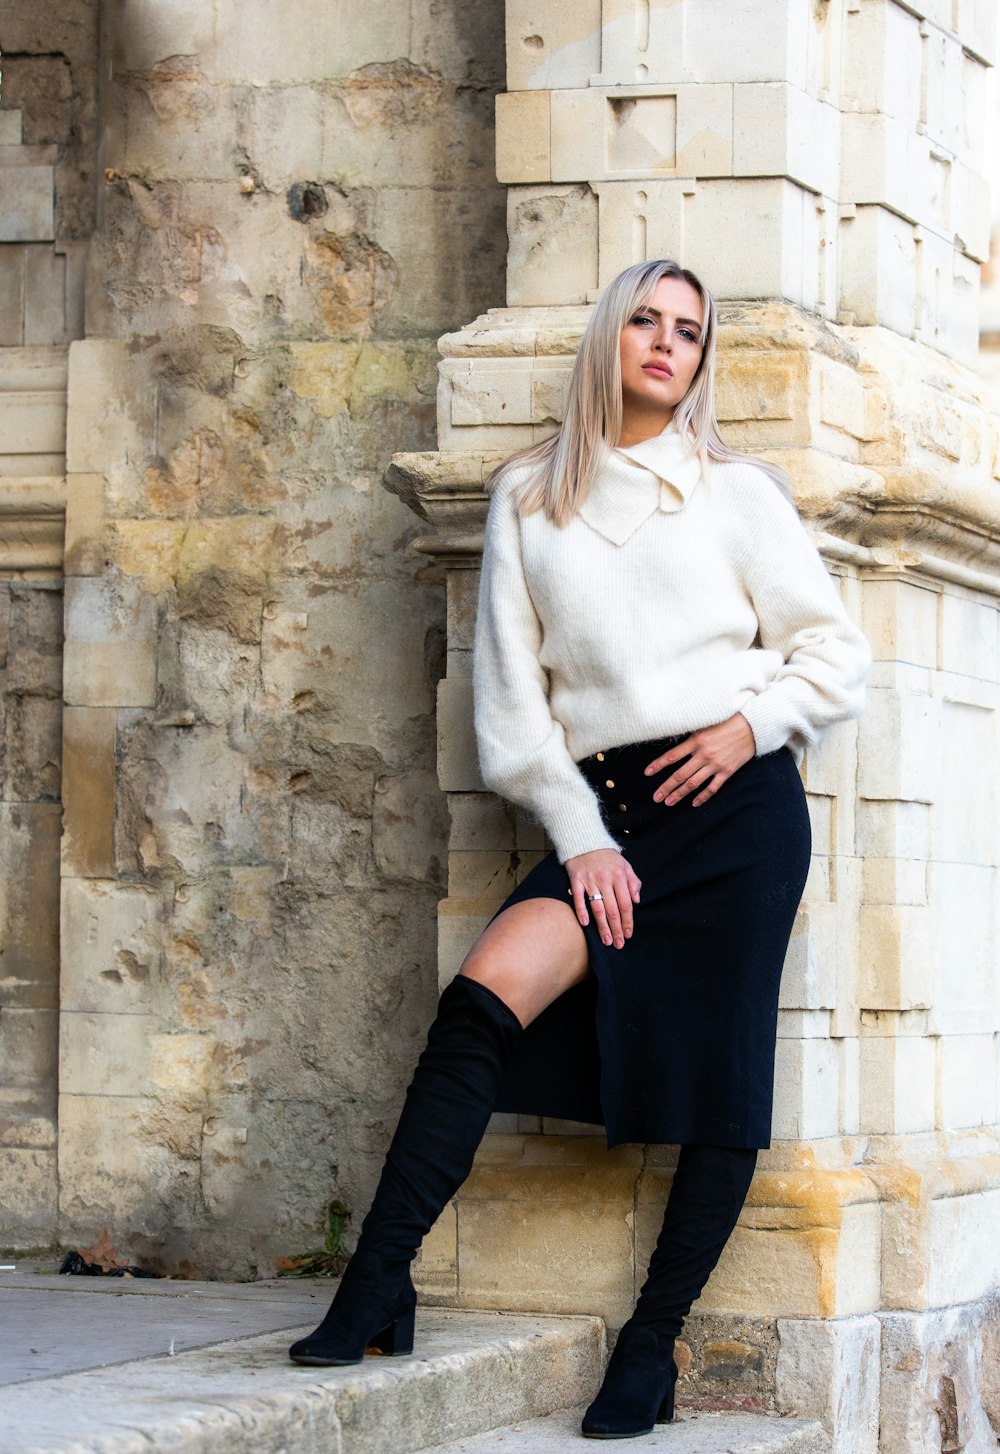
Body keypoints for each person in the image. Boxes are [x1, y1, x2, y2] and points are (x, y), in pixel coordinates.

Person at [289, 258, 871, 1440]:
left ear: (702, 360)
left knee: (721, 1084)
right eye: (647, 322)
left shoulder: (734, 492)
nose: (667, 344)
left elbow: (837, 656)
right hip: (603, 810)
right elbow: (512, 716)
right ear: (610, 337)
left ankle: (650, 1347)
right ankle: (377, 1277)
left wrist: (746, 725)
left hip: (738, 811)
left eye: (689, 332)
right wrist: (584, 841)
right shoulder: (527, 501)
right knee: (483, 996)